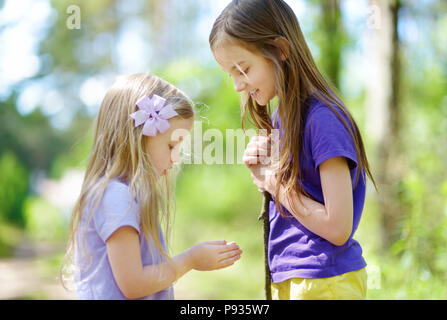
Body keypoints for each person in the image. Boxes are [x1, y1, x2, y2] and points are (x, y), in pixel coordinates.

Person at [209, 0, 377, 300]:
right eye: (229, 74)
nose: (237, 86)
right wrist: (264, 172)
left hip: (324, 280)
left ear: (281, 50)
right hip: (293, 276)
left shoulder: (323, 119)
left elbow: (338, 227)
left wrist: (273, 182)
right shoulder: (282, 119)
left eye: (243, 69)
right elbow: (295, 197)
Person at [61, 73, 242, 299]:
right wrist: (191, 259)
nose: (176, 158)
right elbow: (133, 284)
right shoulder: (117, 196)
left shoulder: (127, 195)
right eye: (171, 145)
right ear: (137, 137)